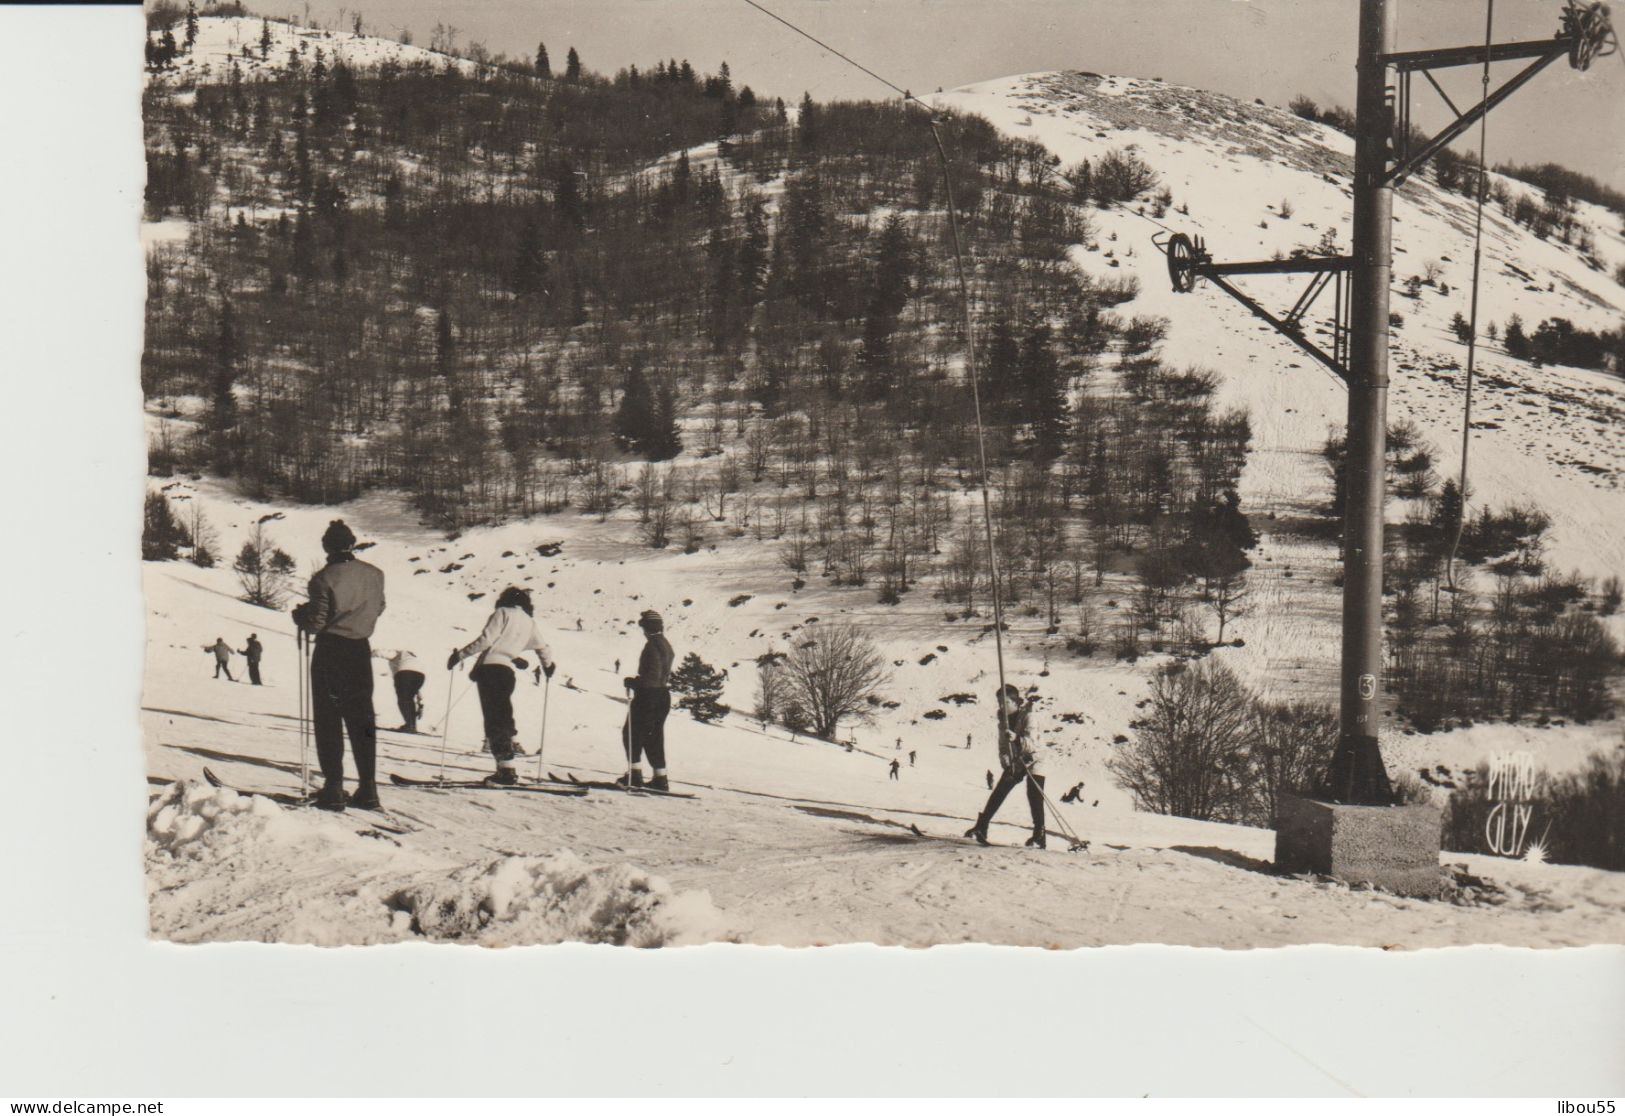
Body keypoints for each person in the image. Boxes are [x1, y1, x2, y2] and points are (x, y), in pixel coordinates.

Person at [291, 519, 386, 811]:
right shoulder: (375, 574)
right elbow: (380, 607)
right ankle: (368, 789)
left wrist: (301, 617)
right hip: (360, 651)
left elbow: (317, 623)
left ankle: (333, 788)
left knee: (328, 719)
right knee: (362, 720)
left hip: (331, 652)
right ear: (352, 544)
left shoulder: (323, 578)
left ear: (327, 547)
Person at [449, 587, 554, 786]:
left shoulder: (502, 613)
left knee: (494, 718)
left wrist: (459, 656)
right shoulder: (529, 621)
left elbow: (486, 640)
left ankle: (505, 770)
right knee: (503, 715)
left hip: (490, 671)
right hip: (507, 673)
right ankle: (507, 766)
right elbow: (543, 648)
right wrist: (548, 666)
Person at [966, 684, 1048, 849]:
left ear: (1016, 702)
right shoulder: (1003, 722)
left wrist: (1017, 738)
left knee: (1034, 794)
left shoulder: (1029, 717)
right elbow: (1003, 747)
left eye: (1006, 703)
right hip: (1018, 759)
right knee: (1002, 787)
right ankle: (982, 825)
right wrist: (1007, 763)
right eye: (999, 703)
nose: (1002, 707)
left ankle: (1039, 834)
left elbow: (1032, 744)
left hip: (1036, 757)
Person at [619, 609, 674, 791]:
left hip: (648, 695)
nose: (642, 631)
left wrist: (634, 682)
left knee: (632, 733)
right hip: (662, 695)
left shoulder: (652, 646)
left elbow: (652, 675)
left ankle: (634, 776)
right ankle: (661, 778)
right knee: (654, 737)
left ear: (648, 628)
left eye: (643, 626)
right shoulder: (666, 644)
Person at [373, 648, 425, 733]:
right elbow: (414, 686)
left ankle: (409, 726)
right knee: (408, 699)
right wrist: (420, 701)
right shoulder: (412, 658)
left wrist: (369, 653)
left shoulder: (399, 653)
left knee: (403, 700)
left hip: (404, 674)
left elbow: (381, 653)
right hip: (420, 675)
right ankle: (411, 725)